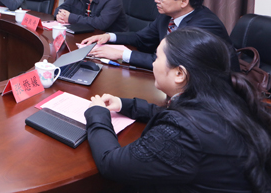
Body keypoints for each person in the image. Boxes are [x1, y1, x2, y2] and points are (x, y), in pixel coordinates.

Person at [85, 28, 271, 192]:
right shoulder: (227, 99)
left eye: (157, 57)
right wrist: (125, 105)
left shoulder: (183, 133)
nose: (153, 63)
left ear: (180, 74)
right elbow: (187, 116)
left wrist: (98, 114)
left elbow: (111, 164)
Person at [81, 0, 237, 70]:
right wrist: (108, 36)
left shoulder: (203, 25)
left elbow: (171, 61)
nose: (156, 0)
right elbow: (141, 38)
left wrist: (121, 54)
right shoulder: (167, 16)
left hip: (213, 91)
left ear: (183, 1)